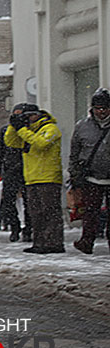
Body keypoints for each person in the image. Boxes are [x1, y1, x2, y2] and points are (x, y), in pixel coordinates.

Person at [4, 103, 64, 254]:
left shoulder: (50, 128)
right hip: (31, 178)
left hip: (48, 177)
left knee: (49, 212)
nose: (28, 119)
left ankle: (54, 243)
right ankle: (40, 242)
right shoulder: (28, 131)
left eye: (29, 116)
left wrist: (22, 129)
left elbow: (40, 143)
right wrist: (14, 126)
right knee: (35, 213)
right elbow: (10, 142)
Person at [67, 88, 110, 254]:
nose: (101, 112)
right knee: (90, 212)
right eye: (98, 108)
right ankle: (87, 240)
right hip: (91, 177)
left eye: (105, 108)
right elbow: (75, 153)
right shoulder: (82, 126)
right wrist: (74, 175)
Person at [0, 107, 28, 241]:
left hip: (27, 168)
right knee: (8, 201)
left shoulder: (29, 130)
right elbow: (0, 151)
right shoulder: (6, 130)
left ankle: (28, 228)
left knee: (28, 201)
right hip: (10, 169)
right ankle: (14, 226)